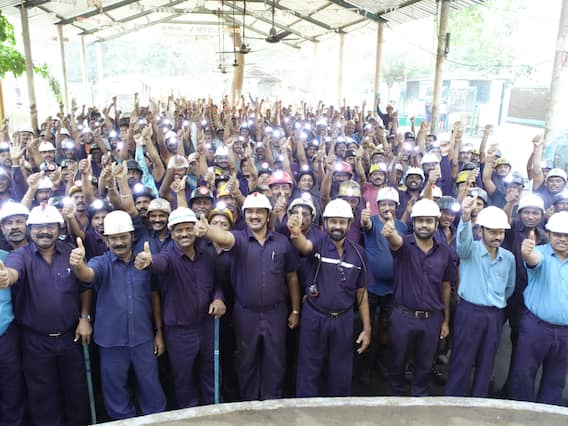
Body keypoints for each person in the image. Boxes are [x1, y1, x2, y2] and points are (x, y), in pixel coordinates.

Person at [194, 192, 301, 401]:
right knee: (246, 361)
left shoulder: (282, 242)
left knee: (275, 362)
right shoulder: (239, 239)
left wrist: (295, 310)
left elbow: (292, 277)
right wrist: (208, 231)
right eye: (250, 212)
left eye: (259, 211)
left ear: (268, 215)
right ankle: (249, 406)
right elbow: (225, 238)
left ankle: (272, 405)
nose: (254, 216)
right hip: (245, 314)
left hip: (275, 313)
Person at [69, 210, 166, 420]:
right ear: (105, 240)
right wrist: (78, 265)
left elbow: (154, 296)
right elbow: (87, 275)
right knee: (115, 392)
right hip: (111, 341)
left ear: (132, 236)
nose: (119, 242)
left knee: (151, 387)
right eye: (113, 238)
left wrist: (158, 332)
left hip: (143, 338)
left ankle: (156, 420)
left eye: (123, 236)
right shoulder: (100, 262)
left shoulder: (144, 262)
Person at [1, 204, 90, 425]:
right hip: (35, 342)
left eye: (50, 226)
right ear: (30, 229)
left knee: (76, 393)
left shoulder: (70, 252)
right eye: (38, 227)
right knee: (43, 399)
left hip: (70, 338)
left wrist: (84, 318)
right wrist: (6, 278)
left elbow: (86, 286)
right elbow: (12, 272)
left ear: (59, 228)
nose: (44, 231)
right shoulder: (19, 256)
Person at [134, 207, 226, 408]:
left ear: (195, 230)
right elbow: (158, 263)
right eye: (178, 230)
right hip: (180, 331)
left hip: (207, 326)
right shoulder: (168, 257)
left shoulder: (207, 256)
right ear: (172, 233)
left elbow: (217, 284)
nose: (184, 234)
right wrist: (147, 261)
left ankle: (215, 410)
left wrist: (218, 299)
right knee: (184, 378)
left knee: (212, 372)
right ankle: (189, 414)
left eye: (188, 228)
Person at [287, 198, 371, 397]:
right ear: (325, 223)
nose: (337, 226)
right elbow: (304, 246)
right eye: (333, 221)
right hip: (314, 317)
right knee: (308, 370)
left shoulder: (358, 254)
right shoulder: (317, 245)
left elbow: (362, 292)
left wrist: (367, 328)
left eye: (342, 222)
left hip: (344, 319)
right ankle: (306, 411)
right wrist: (296, 233)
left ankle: (338, 411)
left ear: (349, 224)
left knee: (341, 373)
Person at [382, 199, 454, 396]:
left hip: (432, 319)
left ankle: (419, 400)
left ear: (436, 224)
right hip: (403, 317)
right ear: (413, 223)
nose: (424, 225)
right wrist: (390, 232)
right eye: (420, 220)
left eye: (429, 221)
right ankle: (395, 400)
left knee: (424, 366)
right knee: (397, 363)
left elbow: (446, 286)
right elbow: (395, 241)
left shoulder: (445, 251)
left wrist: (445, 320)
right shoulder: (404, 243)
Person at [446, 202, 515, 397]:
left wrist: (494, 301)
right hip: (469, 312)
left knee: (487, 360)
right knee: (462, 359)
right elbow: (462, 244)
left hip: (494, 314)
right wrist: (465, 218)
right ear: (480, 231)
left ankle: (479, 401)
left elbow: (509, 287)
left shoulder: (508, 258)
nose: (497, 236)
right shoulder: (470, 251)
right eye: (492, 231)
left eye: (501, 232)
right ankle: (454, 400)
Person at [509, 212, 568, 405]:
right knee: (523, 374)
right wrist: (527, 253)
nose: (562, 239)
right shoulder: (541, 252)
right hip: (536, 327)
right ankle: (520, 414)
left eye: (566, 235)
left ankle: (547, 416)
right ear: (549, 234)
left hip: (565, 332)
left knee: (556, 379)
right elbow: (534, 260)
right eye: (557, 234)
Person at [359, 187, 407, 382]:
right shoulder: (372, 222)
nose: (387, 207)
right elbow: (366, 226)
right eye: (383, 204)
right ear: (377, 206)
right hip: (371, 286)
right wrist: (365, 220)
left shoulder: (402, 226)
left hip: (392, 288)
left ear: (396, 206)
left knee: (387, 328)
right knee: (367, 326)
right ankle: (365, 366)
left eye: (391, 204)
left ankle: (381, 362)